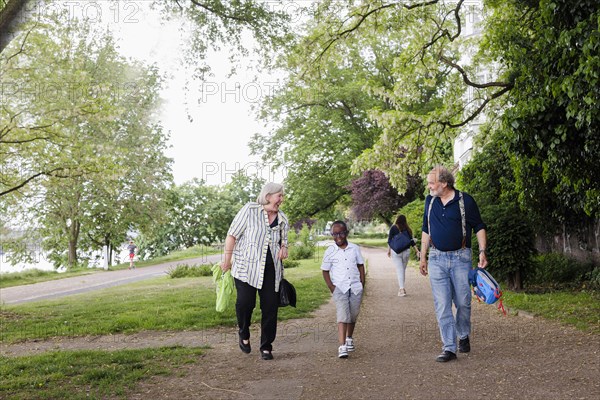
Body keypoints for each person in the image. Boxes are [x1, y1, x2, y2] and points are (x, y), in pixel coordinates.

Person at [419, 165, 488, 363]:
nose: (429, 187)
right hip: (437, 259)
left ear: (444, 184)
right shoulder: (430, 201)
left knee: (463, 303)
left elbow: (479, 226)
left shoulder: (465, 201)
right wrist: (423, 256)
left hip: (461, 258)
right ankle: (449, 347)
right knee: (442, 305)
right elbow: (426, 229)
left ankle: (463, 334)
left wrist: (482, 251)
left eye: (432, 183)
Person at [221, 182, 289, 360]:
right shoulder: (249, 210)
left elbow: (284, 243)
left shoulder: (283, 219)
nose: (281, 200)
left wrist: (284, 248)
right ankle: (243, 333)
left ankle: (266, 346)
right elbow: (232, 235)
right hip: (246, 268)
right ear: (268, 196)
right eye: (279, 196)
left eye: (282, 196)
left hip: (271, 271)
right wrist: (226, 260)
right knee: (245, 303)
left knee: (270, 308)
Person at [321, 220, 365, 359]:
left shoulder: (354, 248)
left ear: (346, 233)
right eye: (334, 234)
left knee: (352, 315)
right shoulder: (330, 251)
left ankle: (349, 338)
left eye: (340, 233)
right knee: (342, 315)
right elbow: (325, 271)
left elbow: (360, 265)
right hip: (339, 287)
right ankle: (342, 346)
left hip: (355, 287)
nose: (338, 237)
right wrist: (332, 287)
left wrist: (362, 282)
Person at [387, 215, 421, 297]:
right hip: (406, 251)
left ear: (397, 220)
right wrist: (417, 251)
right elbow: (412, 242)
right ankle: (402, 288)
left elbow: (389, 240)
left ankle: (401, 289)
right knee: (402, 270)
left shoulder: (393, 228)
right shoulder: (408, 229)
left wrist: (389, 250)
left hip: (396, 252)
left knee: (400, 270)